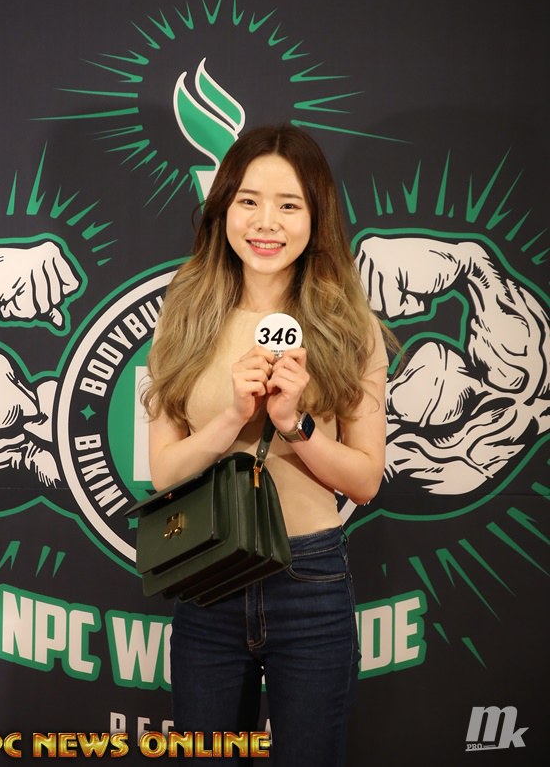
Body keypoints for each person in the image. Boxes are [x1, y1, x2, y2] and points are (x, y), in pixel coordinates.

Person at [143, 125, 390, 766]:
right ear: (223, 206)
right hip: (209, 579)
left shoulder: (349, 326)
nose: (266, 223)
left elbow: (365, 480)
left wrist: (294, 423)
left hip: (309, 582)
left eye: (289, 205)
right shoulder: (184, 313)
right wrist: (230, 418)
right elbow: (165, 473)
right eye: (248, 200)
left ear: (316, 216)